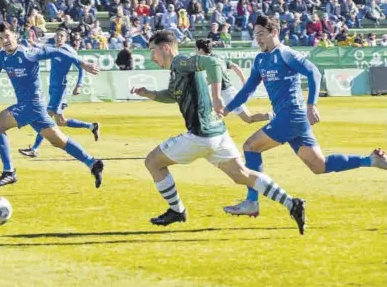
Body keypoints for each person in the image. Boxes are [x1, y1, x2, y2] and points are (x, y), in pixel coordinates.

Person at [131, 30, 307, 234]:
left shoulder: (181, 62)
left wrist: (216, 97)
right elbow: (172, 95)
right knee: (243, 175)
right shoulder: (176, 70)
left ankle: (176, 210)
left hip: (200, 136)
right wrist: (148, 93)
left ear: (166, 48)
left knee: (153, 162)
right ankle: (291, 203)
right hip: (217, 134)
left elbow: (212, 63)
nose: (151, 57)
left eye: (153, 51)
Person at [219, 16, 387, 217]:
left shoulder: (285, 54)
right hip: (290, 119)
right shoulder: (260, 60)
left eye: (261, 34)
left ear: (274, 32)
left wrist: (311, 104)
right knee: (319, 166)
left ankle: (252, 202)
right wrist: (227, 109)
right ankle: (370, 161)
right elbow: (247, 90)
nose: (258, 39)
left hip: (292, 116)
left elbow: (314, 73)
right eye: (255, 35)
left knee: (250, 147)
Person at [0, 23, 104, 188]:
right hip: (34, 108)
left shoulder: (29, 53)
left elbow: (58, 51)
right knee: (59, 141)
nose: (4, 41)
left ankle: (9, 172)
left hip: (31, 105)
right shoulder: (1, 57)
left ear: (15, 36)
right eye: (0, 38)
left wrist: (83, 64)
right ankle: (93, 163)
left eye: (7, 36)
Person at [18, 28, 100, 158]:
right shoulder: (54, 49)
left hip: (59, 89)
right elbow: (43, 48)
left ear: (66, 38)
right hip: (53, 88)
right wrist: (32, 44)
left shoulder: (69, 51)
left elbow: (82, 68)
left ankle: (34, 148)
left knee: (44, 118)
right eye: (56, 36)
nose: (58, 38)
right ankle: (91, 126)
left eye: (61, 36)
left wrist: (79, 85)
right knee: (60, 121)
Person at [195, 38, 271, 124]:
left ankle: (273, 116)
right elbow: (234, 66)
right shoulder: (216, 57)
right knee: (209, 116)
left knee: (249, 119)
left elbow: (230, 68)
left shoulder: (210, 60)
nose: (195, 51)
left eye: (196, 49)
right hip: (219, 93)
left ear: (200, 49)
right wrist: (243, 80)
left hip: (228, 94)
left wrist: (244, 81)